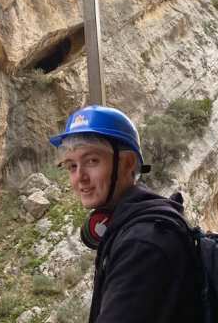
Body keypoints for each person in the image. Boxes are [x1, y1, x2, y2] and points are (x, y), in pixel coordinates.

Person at [50, 105, 202, 323]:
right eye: (71, 166)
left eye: (92, 161)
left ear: (128, 163)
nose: (79, 177)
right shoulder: (134, 228)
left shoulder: (143, 243)